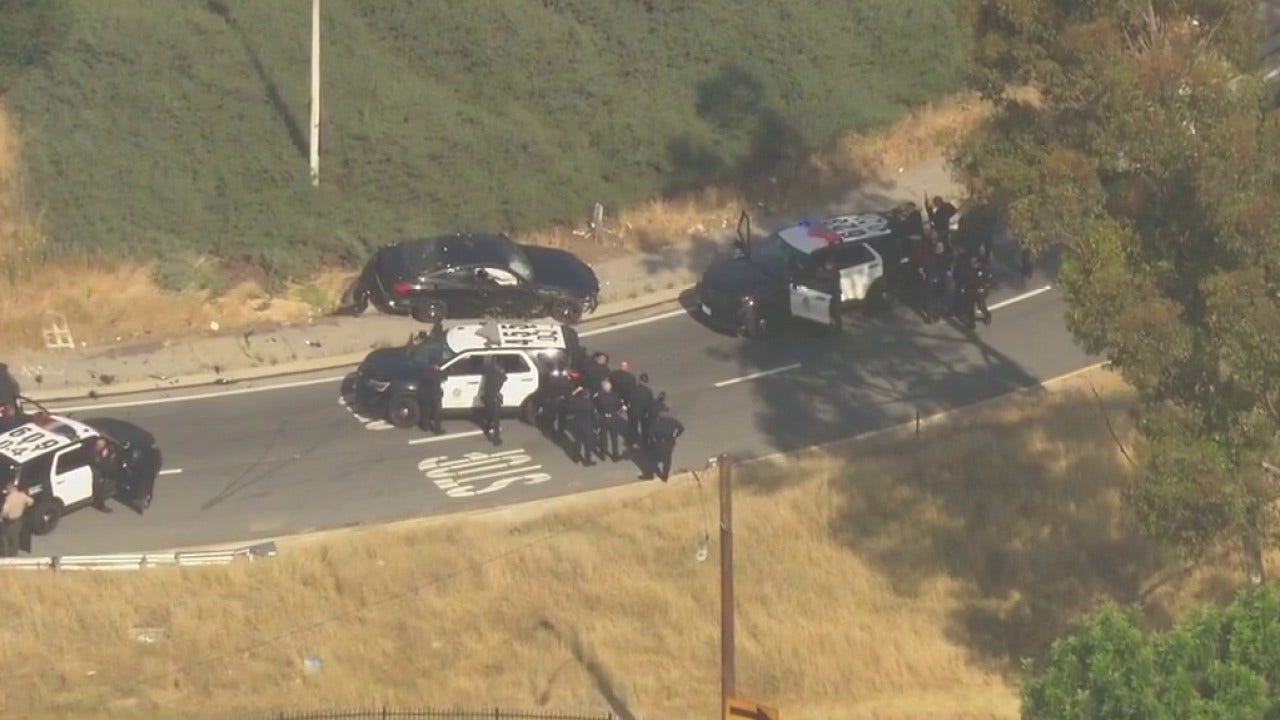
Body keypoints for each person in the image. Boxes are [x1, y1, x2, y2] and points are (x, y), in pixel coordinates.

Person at [643, 395, 685, 482]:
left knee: (653, 458)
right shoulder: (671, 421)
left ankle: (654, 473)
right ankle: (665, 475)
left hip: (660, 443)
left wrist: (652, 442)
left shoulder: (655, 424)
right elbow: (681, 428)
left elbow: (650, 434)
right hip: (669, 442)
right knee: (667, 459)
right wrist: (675, 435)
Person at [593, 379, 625, 461]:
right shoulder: (616, 396)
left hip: (604, 418)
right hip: (613, 418)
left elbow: (595, 405)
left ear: (603, 388)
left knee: (603, 437)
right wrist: (618, 413)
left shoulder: (599, 396)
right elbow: (622, 407)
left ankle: (603, 455)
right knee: (614, 438)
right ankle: (615, 455)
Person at [567, 386, 599, 467]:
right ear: (588, 395)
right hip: (587, 425)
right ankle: (587, 460)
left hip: (577, 424)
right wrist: (596, 426)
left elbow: (570, 404)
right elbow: (594, 417)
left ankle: (576, 458)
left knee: (578, 442)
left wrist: (574, 392)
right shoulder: (590, 404)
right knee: (587, 444)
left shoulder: (577, 402)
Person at [479, 356, 507, 446]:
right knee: (496, 420)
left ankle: (488, 427)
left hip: (486, 397)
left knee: (489, 414)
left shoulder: (490, 373)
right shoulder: (499, 376)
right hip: (493, 398)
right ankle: (496, 439)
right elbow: (504, 377)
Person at [1, 481, 32, 557]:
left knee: (4, 538)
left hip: (8, 521)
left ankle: (5, 554)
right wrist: (24, 507)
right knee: (15, 538)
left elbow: (5, 511)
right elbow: (31, 501)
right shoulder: (22, 495)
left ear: (9, 489)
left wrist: (1, 518)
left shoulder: (9, 498)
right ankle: (14, 554)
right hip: (18, 520)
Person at [813, 257, 842, 332]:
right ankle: (827, 329)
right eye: (827, 264)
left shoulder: (834, 272)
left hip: (834, 294)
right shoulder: (828, 271)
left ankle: (838, 328)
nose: (828, 265)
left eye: (829, 264)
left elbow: (828, 277)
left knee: (835, 312)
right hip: (828, 294)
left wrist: (820, 272)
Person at [628, 373, 656, 450]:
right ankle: (645, 443)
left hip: (634, 411)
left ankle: (632, 442)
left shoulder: (633, 389)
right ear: (646, 381)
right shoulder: (648, 391)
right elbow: (650, 403)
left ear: (640, 380)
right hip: (644, 412)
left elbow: (629, 400)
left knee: (633, 427)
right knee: (645, 429)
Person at [89, 438, 118, 511]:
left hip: (102, 472)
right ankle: (100, 505)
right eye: (100, 445)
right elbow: (99, 463)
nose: (102, 446)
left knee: (102, 487)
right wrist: (103, 457)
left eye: (103, 445)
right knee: (99, 488)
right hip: (96, 471)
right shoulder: (93, 453)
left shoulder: (103, 450)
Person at [418, 359, 446, 434]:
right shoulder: (437, 373)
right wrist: (439, 370)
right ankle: (437, 429)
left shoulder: (424, 372)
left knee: (426, 412)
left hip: (426, 395)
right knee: (437, 413)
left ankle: (425, 426)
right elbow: (444, 376)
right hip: (436, 395)